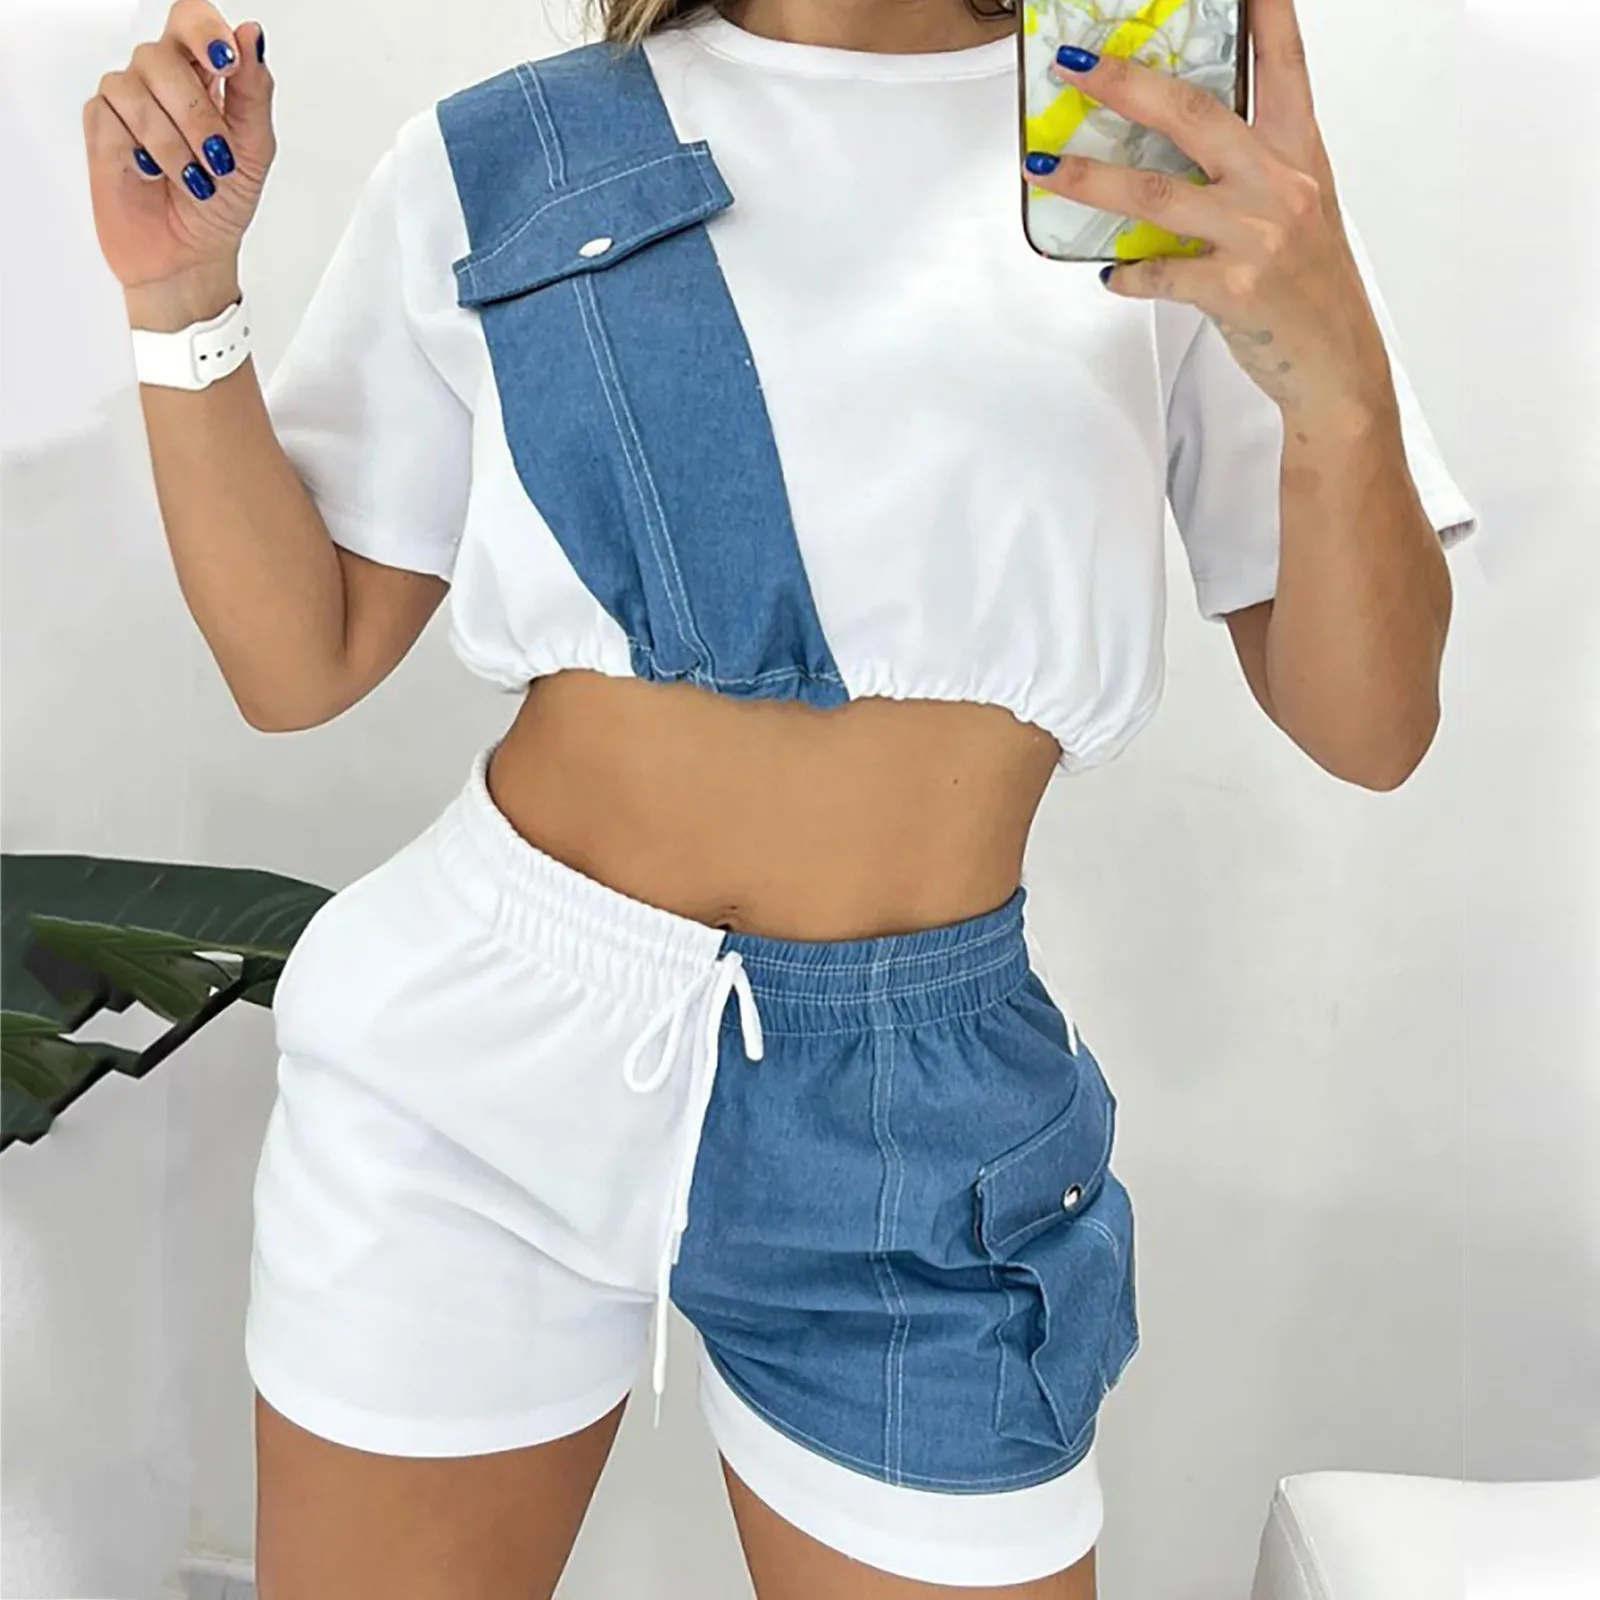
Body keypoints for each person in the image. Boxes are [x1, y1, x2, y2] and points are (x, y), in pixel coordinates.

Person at [83, 0, 1478, 1594]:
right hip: (473, 1071)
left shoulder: (1160, 151)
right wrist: (178, 299)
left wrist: (1338, 378)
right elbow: (299, 660)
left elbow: (1371, 729)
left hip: (926, 1121)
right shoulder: (506, 151)